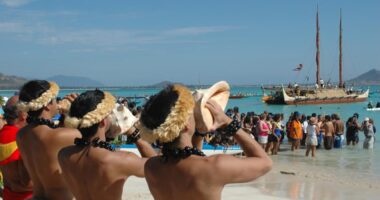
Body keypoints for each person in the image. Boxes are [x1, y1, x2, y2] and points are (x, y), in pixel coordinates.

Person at [140, 84, 272, 200]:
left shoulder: (151, 167)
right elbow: (265, 163)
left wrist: (200, 133)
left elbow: (192, 159)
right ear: (185, 125)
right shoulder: (215, 166)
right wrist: (228, 123)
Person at [58, 90, 156, 200]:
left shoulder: (64, 155)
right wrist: (132, 130)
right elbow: (158, 168)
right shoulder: (122, 160)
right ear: (102, 122)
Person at [16, 80, 81, 200]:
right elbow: (94, 141)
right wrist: (76, 111)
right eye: (55, 99)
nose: (57, 103)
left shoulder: (21, 135)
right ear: (46, 104)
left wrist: (66, 116)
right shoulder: (61, 136)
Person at [0, 96, 33, 200]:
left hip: (8, 195)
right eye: (31, 111)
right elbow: (26, 183)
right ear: (23, 115)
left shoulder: (3, 135)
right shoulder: (22, 139)